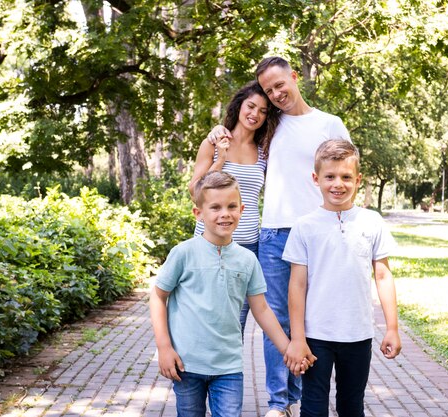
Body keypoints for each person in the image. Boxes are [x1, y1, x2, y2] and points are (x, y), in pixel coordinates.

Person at [207, 56, 350, 417]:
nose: (276, 94)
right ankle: (279, 402)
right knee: (278, 319)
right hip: (274, 233)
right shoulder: (271, 125)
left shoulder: (329, 124)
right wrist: (216, 135)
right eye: (269, 91)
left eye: (279, 85)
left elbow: (345, 174)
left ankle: (304, 395)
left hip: (319, 232)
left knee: (313, 318)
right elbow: (237, 134)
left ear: (294, 77)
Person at [149, 171, 313, 417]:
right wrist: (164, 347)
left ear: (242, 209)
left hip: (229, 367)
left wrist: (287, 348)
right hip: (186, 365)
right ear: (199, 213)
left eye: (231, 206)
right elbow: (158, 296)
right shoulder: (183, 253)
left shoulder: (247, 260)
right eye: (215, 207)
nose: (224, 213)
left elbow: (262, 309)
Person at [283, 139, 402, 417]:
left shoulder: (371, 222)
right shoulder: (304, 226)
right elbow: (297, 286)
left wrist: (392, 328)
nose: (338, 184)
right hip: (316, 336)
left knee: (352, 405)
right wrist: (297, 338)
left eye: (346, 177)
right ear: (316, 178)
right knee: (313, 406)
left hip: (358, 334)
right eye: (330, 176)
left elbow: (383, 276)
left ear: (358, 180)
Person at [189, 81, 279, 335]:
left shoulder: (264, 151)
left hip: (248, 245)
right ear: (240, 105)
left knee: (235, 322)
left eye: (263, 111)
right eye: (251, 106)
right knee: (203, 313)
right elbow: (196, 191)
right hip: (209, 243)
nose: (255, 114)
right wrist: (221, 159)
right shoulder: (214, 141)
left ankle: (228, 373)